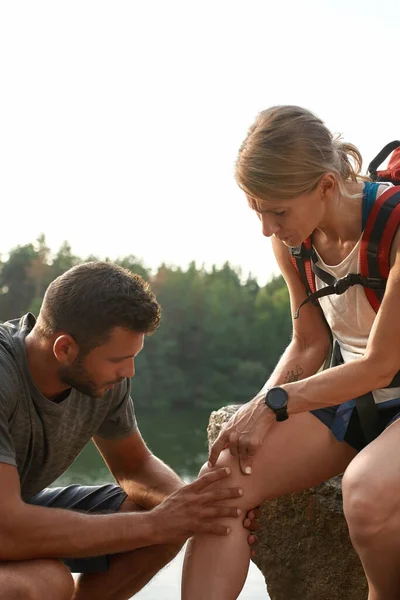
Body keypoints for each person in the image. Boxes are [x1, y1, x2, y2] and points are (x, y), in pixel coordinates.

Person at [181, 105, 400, 600]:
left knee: (366, 494)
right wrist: (250, 422)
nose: (267, 228)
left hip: (382, 377)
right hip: (356, 395)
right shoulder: (294, 242)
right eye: (257, 211)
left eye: (277, 211)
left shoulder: (396, 227)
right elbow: (310, 344)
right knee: (223, 484)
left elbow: (382, 364)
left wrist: (273, 404)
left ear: (326, 185)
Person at [0, 261, 258, 600]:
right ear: (65, 349)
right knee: (47, 583)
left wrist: (199, 509)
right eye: (118, 359)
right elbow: (7, 530)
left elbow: (135, 467)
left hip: (13, 510)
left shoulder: (102, 380)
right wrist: (157, 524)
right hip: (7, 522)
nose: (129, 370)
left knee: (166, 517)